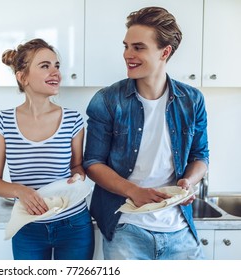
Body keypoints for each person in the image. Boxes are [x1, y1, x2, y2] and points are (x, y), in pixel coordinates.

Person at [83, 7, 209, 260]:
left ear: (165, 52)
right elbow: (93, 163)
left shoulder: (192, 100)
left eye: (138, 47)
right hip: (126, 226)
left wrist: (188, 182)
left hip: (180, 228)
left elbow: (200, 155)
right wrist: (133, 191)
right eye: (126, 46)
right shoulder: (108, 100)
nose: (127, 55)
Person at [0, 38, 94, 260]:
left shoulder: (73, 120)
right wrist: (19, 191)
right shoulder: (4, 121)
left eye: (57, 66)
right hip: (27, 224)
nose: (55, 72)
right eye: (45, 66)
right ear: (22, 77)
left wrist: (78, 177)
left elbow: (77, 166)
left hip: (73, 224)